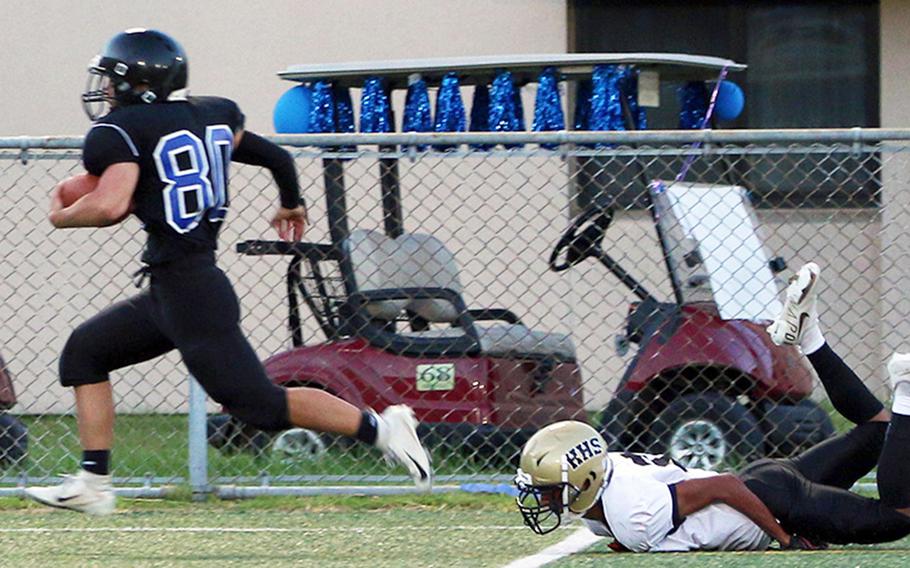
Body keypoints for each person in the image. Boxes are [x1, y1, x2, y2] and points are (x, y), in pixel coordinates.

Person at [25, 29, 431, 515]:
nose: (106, 90)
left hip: (189, 291)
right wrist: (290, 201)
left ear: (138, 83)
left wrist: (63, 214)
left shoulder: (123, 130)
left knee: (258, 404)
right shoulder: (209, 114)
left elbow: (111, 205)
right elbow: (274, 155)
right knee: (85, 353)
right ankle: (94, 481)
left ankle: (383, 428)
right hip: (176, 286)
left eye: (113, 80)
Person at [514, 262, 910, 551]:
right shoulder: (607, 484)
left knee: (899, 516)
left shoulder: (632, 513)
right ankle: (810, 337)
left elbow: (723, 486)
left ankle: (906, 388)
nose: (544, 500)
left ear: (583, 483)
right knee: (878, 428)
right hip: (767, 482)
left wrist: (783, 537)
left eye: (550, 491)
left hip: (772, 501)